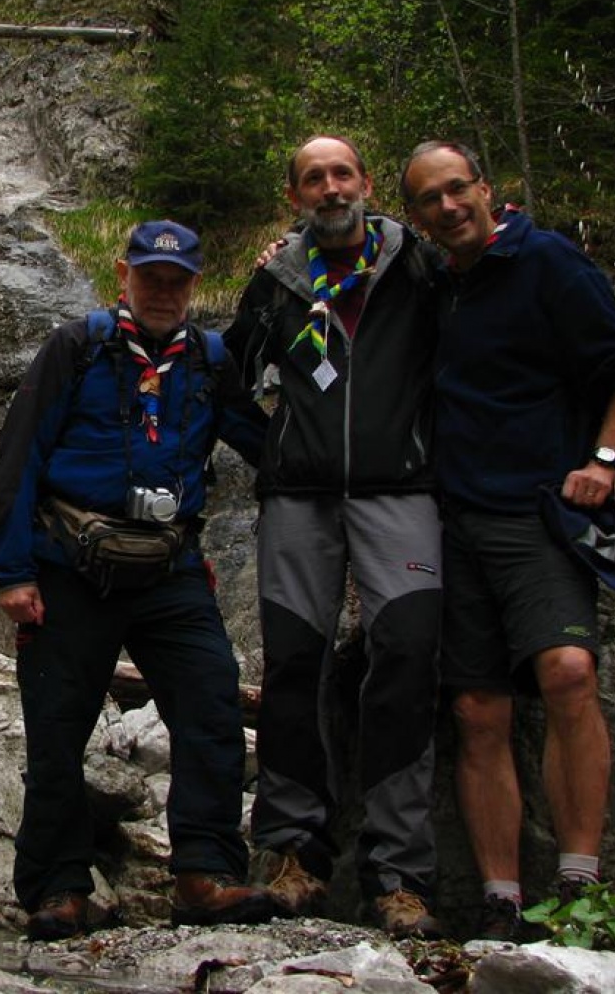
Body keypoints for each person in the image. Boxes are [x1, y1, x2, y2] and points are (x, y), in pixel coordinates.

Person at [398, 140, 615, 941]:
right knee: (479, 708)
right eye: (430, 200)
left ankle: (579, 882)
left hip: (536, 512)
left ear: (487, 189)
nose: (449, 207)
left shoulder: (547, 260)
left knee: (567, 671)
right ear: (415, 217)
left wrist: (605, 460)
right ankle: (500, 897)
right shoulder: (432, 283)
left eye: (459, 190)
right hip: (450, 517)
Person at [0, 220, 274, 940]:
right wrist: (13, 571)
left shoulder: (210, 360)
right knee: (57, 728)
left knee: (211, 704)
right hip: (68, 568)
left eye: (178, 282)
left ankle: (205, 872)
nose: (164, 293)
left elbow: (267, 445)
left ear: (195, 286)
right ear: (124, 274)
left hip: (170, 570)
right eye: (151, 278)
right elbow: (18, 456)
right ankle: (58, 887)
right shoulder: (76, 347)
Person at [222, 136, 445, 938]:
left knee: (409, 655)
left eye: (340, 173)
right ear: (294, 197)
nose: (328, 187)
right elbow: (229, 378)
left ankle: (399, 873)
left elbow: (482, 332)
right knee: (294, 667)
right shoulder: (277, 279)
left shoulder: (416, 265)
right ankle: (293, 853)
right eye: (312, 178)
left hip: (401, 490)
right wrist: (278, 450)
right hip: (301, 500)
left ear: (367, 183)